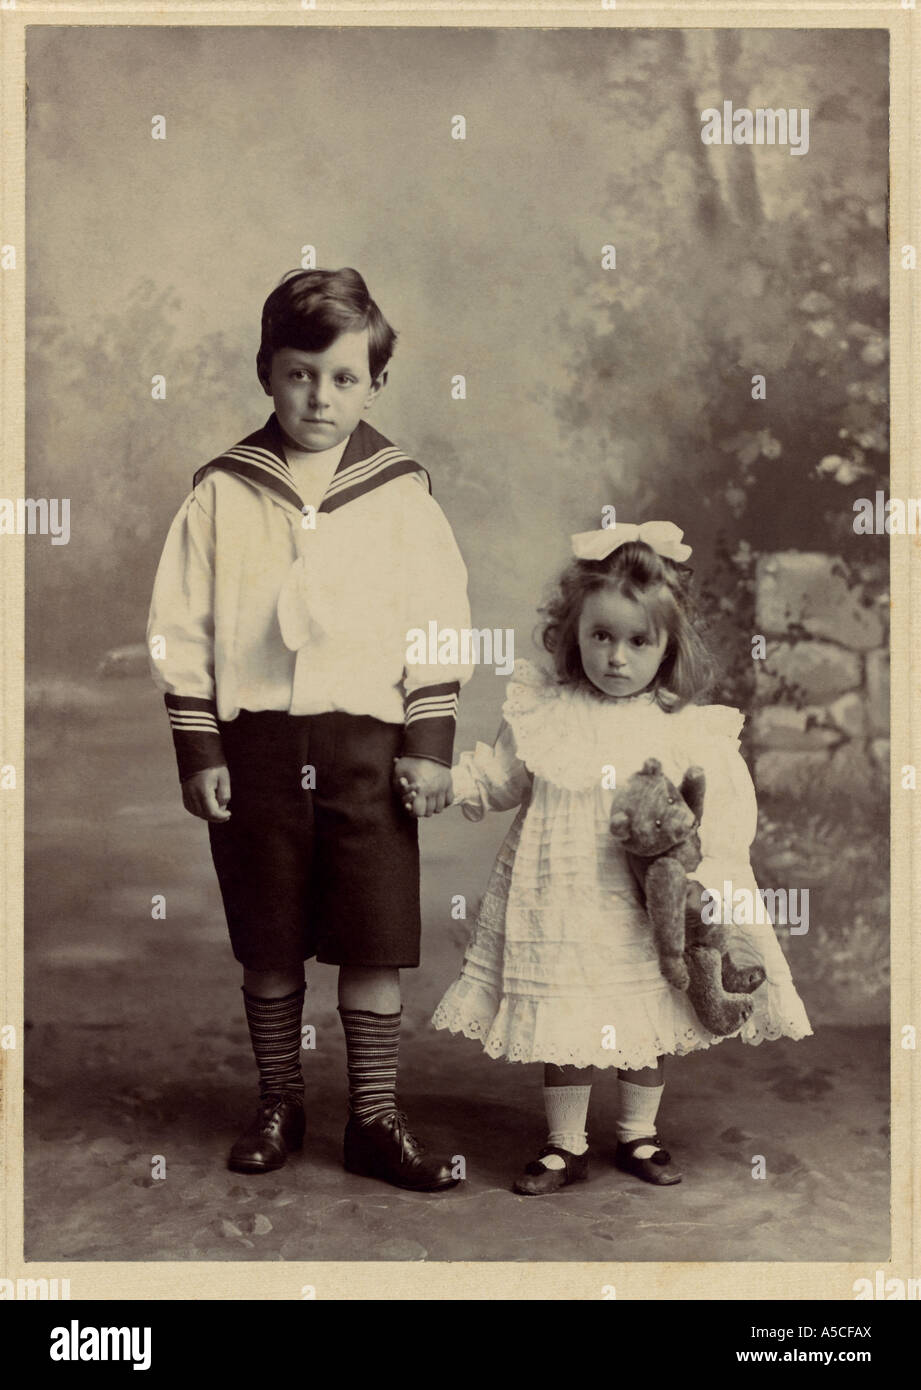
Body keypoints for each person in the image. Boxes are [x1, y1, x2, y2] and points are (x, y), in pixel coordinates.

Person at [147, 267, 471, 1191]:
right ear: (266, 371)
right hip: (258, 750)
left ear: (373, 382)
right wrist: (199, 746)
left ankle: (372, 1117)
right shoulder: (222, 490)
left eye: (341, 377)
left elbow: (437, 618)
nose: (318, 397)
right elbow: (183, 624)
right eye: (299, 374)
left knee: (371, 939)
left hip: (368, 751)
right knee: (270, 938)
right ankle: (279, 1099)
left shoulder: (399, 492)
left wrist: (428, 745)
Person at [429, 522, 812, 1195]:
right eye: (600, 636)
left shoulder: (677, 723)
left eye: (638, 642)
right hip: (562, 893)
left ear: (666, 647)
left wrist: (709, 880)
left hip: (643, 907)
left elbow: (712, 815)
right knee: (565, 1012)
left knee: (646, 1013)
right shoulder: (544, 710)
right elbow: (501, 778)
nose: (615, 657)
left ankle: (638, 1135)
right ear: (572, 632)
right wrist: (450, 784)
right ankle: (563, 1144)